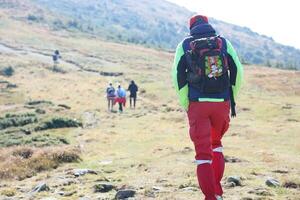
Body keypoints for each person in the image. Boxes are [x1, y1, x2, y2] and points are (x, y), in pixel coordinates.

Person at [172, 15, 243, 200]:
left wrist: (186, 103)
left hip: (198, 103)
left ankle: (210, 197)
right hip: (222, 103)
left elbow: (178, 77)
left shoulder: (185, 45)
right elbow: (238, 71)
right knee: (216, 145)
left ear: (191, 27)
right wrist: (230, 97)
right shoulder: (223, 43)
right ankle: (217, 192)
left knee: (203, 153)